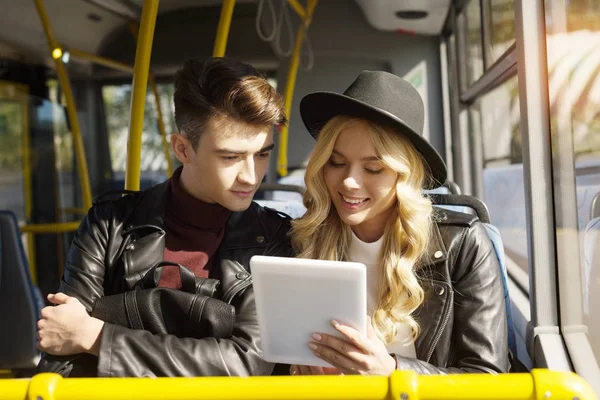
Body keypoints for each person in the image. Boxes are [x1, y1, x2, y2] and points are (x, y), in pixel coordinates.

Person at [36, 57, 292, 377]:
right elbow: (61, 343)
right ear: (182, 149)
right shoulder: (109, 225)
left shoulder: (277, 238)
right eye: (231, 157)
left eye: (263, 154)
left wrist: (98, 336)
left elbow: (245, 364)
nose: (251, 176)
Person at [289, 70, 509, 375]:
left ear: (403, 175)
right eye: (336, 163)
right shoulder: (302, 238)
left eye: (374, 168)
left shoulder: (462, 245)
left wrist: (393, 373)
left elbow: (488, 378)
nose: (350, 181)